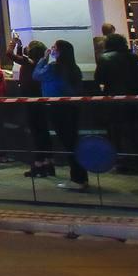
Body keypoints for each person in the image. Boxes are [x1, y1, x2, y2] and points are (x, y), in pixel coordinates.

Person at [33, 40, 89, 192]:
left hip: (58, 108)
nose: (51, 50)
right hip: (73, 108)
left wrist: (44, 58)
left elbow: (37, 75)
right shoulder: (73, 68)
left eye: (54, 48)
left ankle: (77, 178)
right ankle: (80, 177)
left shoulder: (54, 68)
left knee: (69, 143)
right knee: (73, 141)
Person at [96, 32, 138, 173]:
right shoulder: (134, 58)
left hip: (114, 100)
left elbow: (99, 79)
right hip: (134, 100)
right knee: (133, 131)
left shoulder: (105, 58)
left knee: (118, 132)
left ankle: (123, 162)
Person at [9, 37, 52, 178]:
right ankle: (48, 163)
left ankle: (38, 165)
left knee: (36, 133)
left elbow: (10, 55)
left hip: (31, 101)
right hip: (40, 100)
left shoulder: (29, 63)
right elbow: (21, 58)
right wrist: (20, 47)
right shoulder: (40, 63)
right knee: (43, 132)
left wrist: (13, 43)